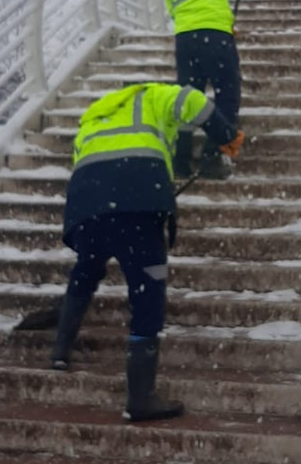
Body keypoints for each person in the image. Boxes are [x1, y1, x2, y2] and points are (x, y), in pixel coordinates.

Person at [50, 80, 243, 421]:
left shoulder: (94, 118)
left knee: (87, 269)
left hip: (87, 207)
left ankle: (60, 350)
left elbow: (87, 164)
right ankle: (139, 396)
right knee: (147, 292)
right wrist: (226, 135)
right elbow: (194, 101)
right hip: (138, 205)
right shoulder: (153, 94)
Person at [162, 0, 261, 179]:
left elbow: (177, 13)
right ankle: (213, 154)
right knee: (227, 91)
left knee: (186, 98)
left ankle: (181, 159)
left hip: (185, 40)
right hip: (215, 37)